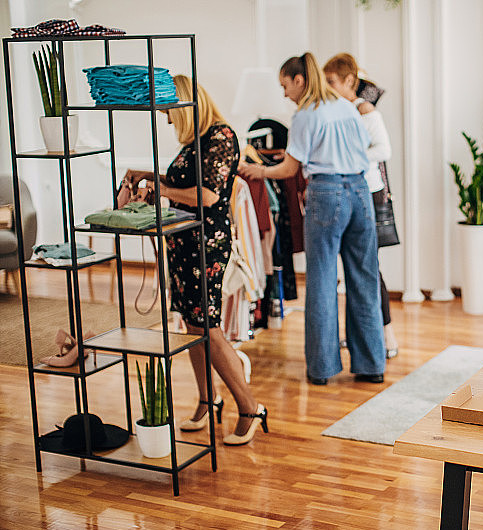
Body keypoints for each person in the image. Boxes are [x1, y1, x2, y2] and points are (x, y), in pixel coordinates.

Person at [123, 75, 266, 446]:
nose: (169, 119)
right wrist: (149, 175)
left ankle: (250, 407)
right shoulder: (196, 142)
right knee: (192, 326)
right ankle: (208, 399)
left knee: (209, 328)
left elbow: (206, 195)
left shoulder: (222, 137)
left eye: (170, 111)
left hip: (206, 248)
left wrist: (160, 188)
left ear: (186, 105)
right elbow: (183, 183)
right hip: (183, 246)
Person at [237, 52, 385, 385]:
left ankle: (322, 369)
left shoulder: (305, 114)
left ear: (299, 80)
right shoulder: (346, 107)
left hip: (327, 192)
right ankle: (371, 366)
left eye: (285, 85)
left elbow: (289, 169)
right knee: (364, 279)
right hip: (360, 191)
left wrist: (259, 171)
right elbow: (364, 150)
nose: (284, 93)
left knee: (321, 281)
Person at [322, 52, 399, 360]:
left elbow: (383, 149)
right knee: (355, 269)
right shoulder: (335, 111)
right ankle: (362, 336)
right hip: (348, 193)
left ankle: (387, 334)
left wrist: (348, 158)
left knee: (368, 269)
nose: (326, 87)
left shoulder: (364, 109)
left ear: (349, 81)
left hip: (367, 194)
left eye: (331, 81)